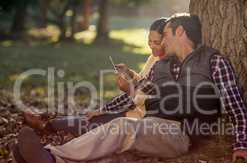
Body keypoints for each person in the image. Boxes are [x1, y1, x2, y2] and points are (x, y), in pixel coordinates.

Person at [14, 13, 247, 163]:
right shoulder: (162, 67)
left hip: (182, 133)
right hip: (150, 126)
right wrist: (120, 97)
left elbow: (236, 106)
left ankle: (51, 157)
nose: (162, 41)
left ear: (180, 32)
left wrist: (241, 145)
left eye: (165, 34)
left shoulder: (214, 62)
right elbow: (144, 95)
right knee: (114, 146)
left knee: (122, 127)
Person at [22, 18, 168, 137]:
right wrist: (129, 73)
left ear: (166, 41)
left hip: (140, 117)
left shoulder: (165, 65)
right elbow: (142, 82)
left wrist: (105, 109)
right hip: (134, 106)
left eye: (156, 42)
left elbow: (143, 95)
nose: (151, 46)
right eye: (150, 41)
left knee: (94, 120)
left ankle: (46, 126)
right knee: (90, 115)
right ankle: (49, 119)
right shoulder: (154, 58)